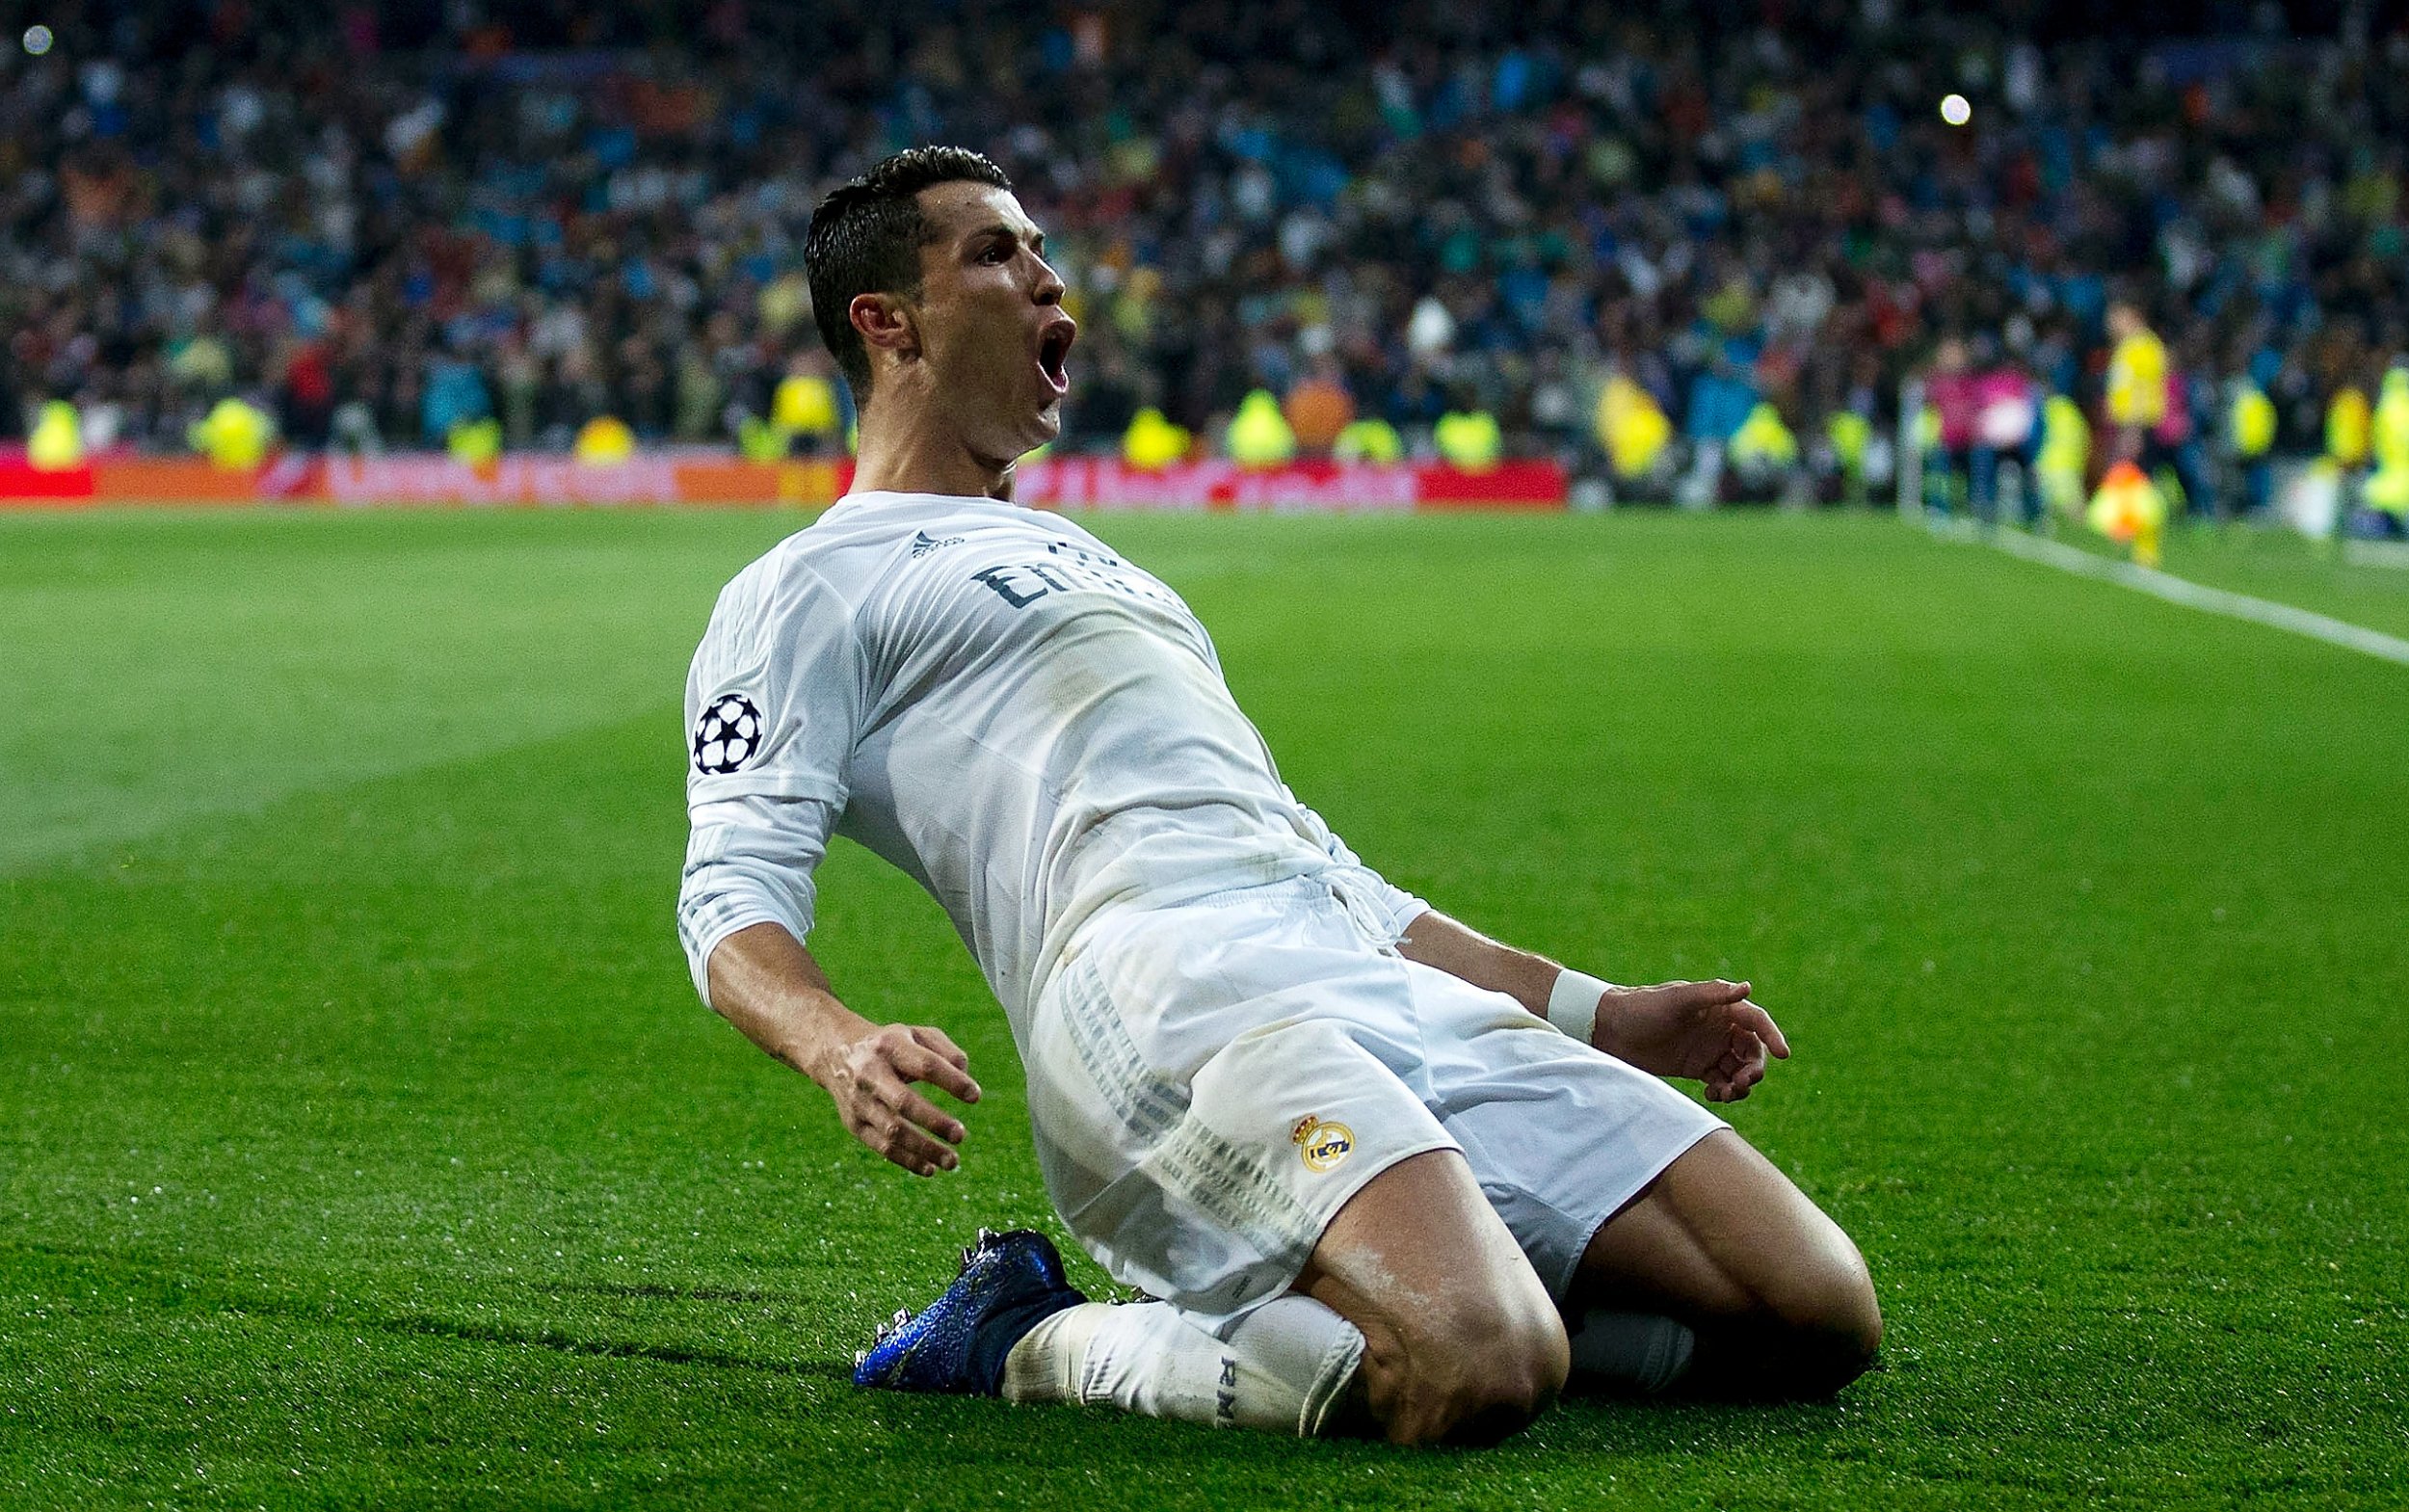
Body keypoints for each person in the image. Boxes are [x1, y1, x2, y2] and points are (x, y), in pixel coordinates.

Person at [676, 146, 1880, 1448]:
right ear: (884, 321)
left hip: (1346, 961)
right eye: (996, 253)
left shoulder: (1102, 565)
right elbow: (729, 895)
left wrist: (1601, 1010)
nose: (1048, 277)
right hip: (1163, 989)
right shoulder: (807, 587)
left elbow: (1331, 872)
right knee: (1479, 1362)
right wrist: (836, 1038)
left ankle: (1405, 1282)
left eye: (1038, 249)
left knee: (1810, 1309)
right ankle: (1026, 1334)